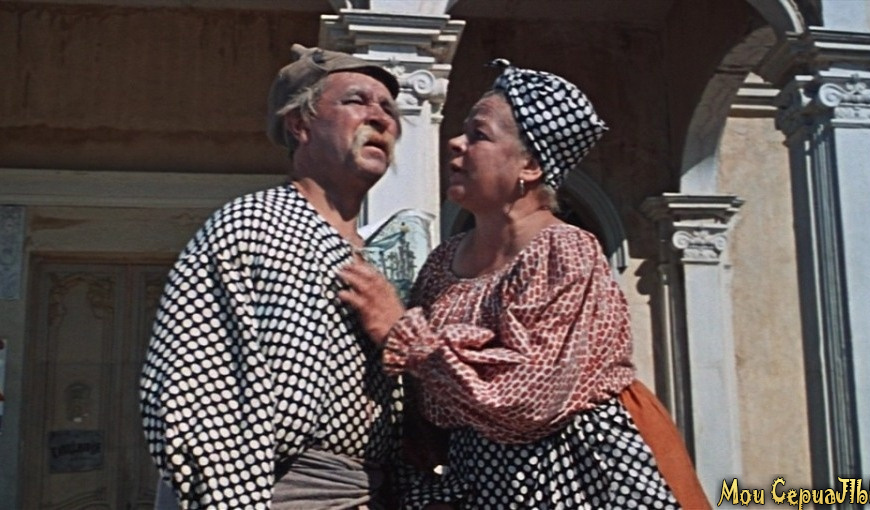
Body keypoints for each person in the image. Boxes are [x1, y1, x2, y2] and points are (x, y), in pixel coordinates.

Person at [337, 59, 710, 509]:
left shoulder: (564, 251)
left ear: (530, 165)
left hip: (570, 479)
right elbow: (427, 400)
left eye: (479, 134)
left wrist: (403, 334)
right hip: (479, 483)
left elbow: (528, 396)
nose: (456, 143)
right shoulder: (441, 264)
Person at [140, 43, 407, 509]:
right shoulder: (251, 225)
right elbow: (197, 392)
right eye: (356, 101)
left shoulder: (386, 256)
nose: (380, 118)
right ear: (300, 124)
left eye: (387, 108)